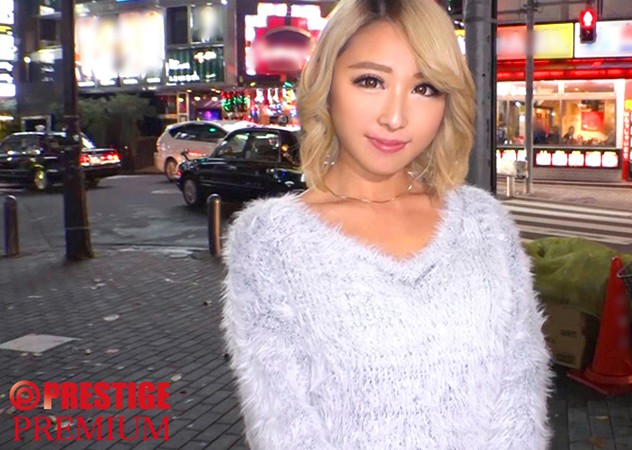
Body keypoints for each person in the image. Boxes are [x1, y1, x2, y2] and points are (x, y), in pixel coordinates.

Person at [221, 0, 552, 448]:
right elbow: (285, 425)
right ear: (326, 84)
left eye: (425, 88)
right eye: (371, 81)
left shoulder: (485, 224)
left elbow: (521, 390)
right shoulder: (271, 243)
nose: (395, 117)